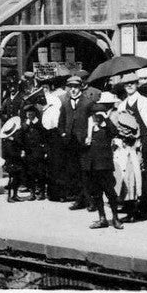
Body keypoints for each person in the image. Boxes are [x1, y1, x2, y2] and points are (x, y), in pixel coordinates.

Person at [115, 72, 147, 222]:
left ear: (137, 85)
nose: (129, 86)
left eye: (132, 83)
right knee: (131, 177)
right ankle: (134, 212)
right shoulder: (122, 105)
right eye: (126, 84)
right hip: (129, 145)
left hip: (146, 143)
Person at [58, 76, 100, 210]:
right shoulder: (65, 103)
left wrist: (89, 136)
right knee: (75, 172)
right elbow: (61, 121)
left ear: (81, 87)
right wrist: (63, 133)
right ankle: (80, 199)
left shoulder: (88, 102)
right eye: (70, 87)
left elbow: (93, 121)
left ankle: (91, 201)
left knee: (86, 172)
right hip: (71, 142)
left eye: (75, 87)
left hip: (84, 142)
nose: (73, 90)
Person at [85, 90, 124, 230]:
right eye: (94, 115)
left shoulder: (106, 127)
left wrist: (106, 119)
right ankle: (102, 218)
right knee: (96, 192)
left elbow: (114, 132)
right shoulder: (89, 127)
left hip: (105, 164)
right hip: (92, 164)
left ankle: (115, 218)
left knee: (110, 192)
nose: (96, 118)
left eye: (99, 115)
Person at [39, 76, 67, 202]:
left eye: (46, 87)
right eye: (42, 88)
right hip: (46, 134)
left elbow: (56, 117)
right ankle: (52, 192)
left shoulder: (54, 99)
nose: (44, 90)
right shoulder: (41, 101)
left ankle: (59, 193)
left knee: (57, 163)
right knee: (50, 164)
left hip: (55, 133)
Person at [19, 105, 48, 200]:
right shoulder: (24, 124)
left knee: (40, 172)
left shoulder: (40, 123)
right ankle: (32, 192)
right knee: (30, 172)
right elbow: (21, 137)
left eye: (31, 113)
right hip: (29, 151)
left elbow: (44, 136)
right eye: (28, 114)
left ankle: (41, 192)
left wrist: (45, 150)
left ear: (35, 114)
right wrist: (22, 150)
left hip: (38, 151)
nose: (29, 115)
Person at [1, 116, 24, 202]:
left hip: (15, 161)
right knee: (12, 179)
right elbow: (11, 153)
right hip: (12, 161)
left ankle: (14, 195)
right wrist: (19, 154)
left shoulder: (12, 140)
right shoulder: (8, 142)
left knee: (16, 178)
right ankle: (10, 196)